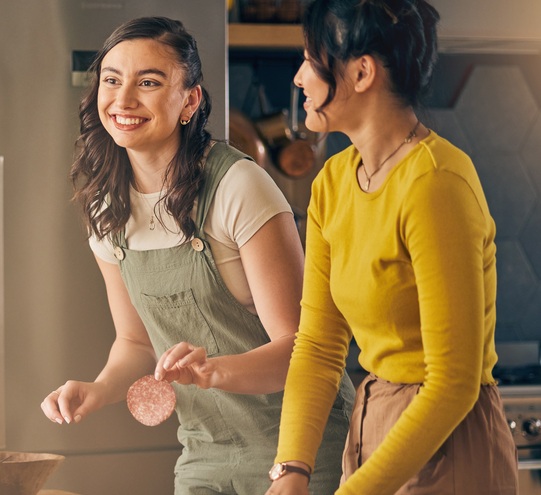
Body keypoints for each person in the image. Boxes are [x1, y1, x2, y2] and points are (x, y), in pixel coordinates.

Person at [39, 16, 353, 494]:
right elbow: (136, 342)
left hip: (305, 454)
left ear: (190, 100)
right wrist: (100, 389)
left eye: (148, 82)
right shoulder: (108, 208)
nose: (123, 101)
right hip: (204, 454)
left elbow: (302, 349)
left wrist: (213, 371)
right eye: (111, 80)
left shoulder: (237, 187)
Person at [265, 1, 518, 494]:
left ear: (362, 73)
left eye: (311, 61)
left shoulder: (435, 183)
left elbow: (453, 383)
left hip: (449, 440)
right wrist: (291, 468)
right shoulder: (333, 182)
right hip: (374, 423)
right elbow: (317, 345)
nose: (298, 78)